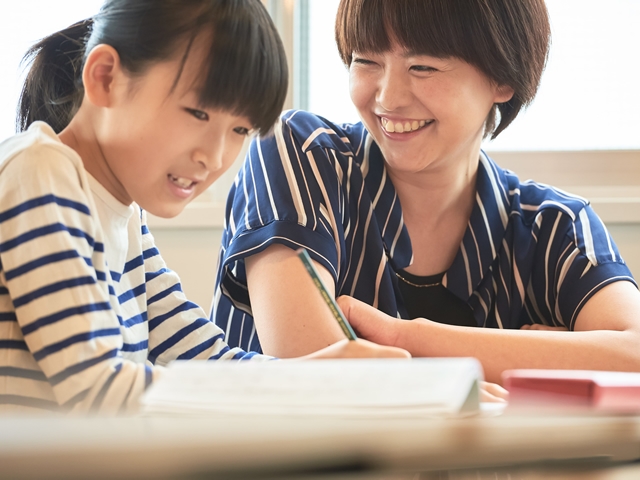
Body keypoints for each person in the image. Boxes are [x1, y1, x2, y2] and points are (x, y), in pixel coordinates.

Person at [0, 0, 409, 415]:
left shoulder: (126, 216)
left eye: (239, 129)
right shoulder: (39, 171)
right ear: (106, 78)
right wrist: (297, 383)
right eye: (198, 113)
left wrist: (318, 376)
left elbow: (204, 357)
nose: (213, 158)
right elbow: (98, 387)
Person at [211, 0, 640, 384]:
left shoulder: (553, 225)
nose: (388, 97)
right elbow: (316, 372)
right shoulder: (301, 152)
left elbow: (634, 355)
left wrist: (403, 337)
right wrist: (546, 356)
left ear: (502, 78)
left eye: (423, 67)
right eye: (366, 61)